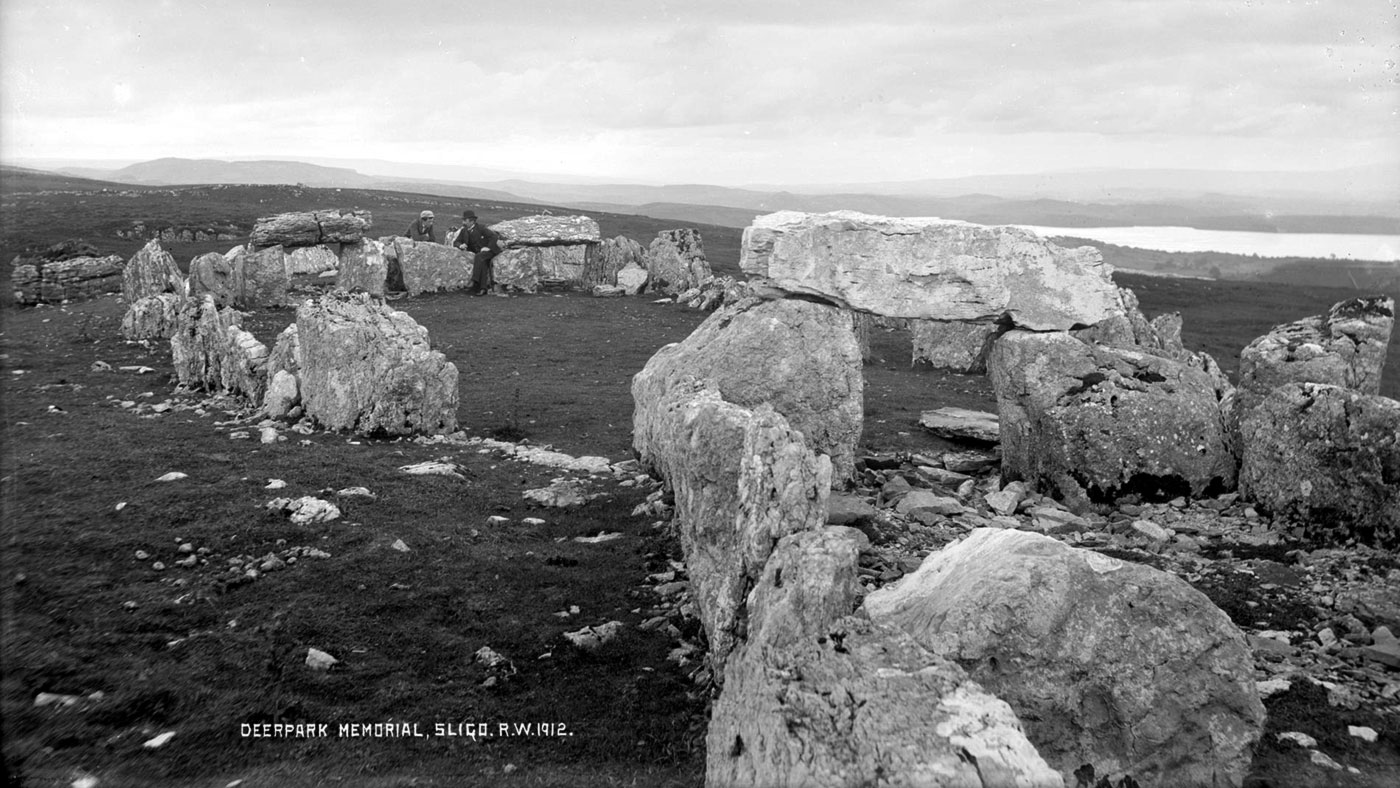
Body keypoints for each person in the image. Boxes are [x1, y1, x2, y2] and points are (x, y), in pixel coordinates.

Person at [457, 210, 504, 296]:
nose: (463, 222)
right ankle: (483, 288)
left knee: (479, 257)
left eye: (465, 220)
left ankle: (474, 282)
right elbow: (456, 242)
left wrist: (488, 248)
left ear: (471, 221)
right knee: (483, 263)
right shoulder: (464, 230)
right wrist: (461, 245)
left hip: (490, 251)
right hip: (480, 254)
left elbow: (494, 236)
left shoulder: (481, 228)